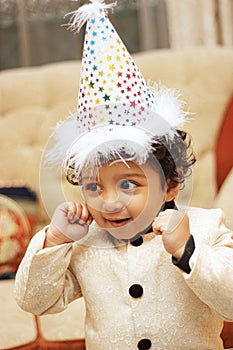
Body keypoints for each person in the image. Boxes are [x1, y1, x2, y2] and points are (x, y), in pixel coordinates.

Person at [15, 1, 233, 349]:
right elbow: (36, 301)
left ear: (171, 184)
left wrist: (188, 253)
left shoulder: (206, 228)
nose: (110, 201)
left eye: (129, 184)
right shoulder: (85, 245)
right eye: (93, 186)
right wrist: (54, 241)